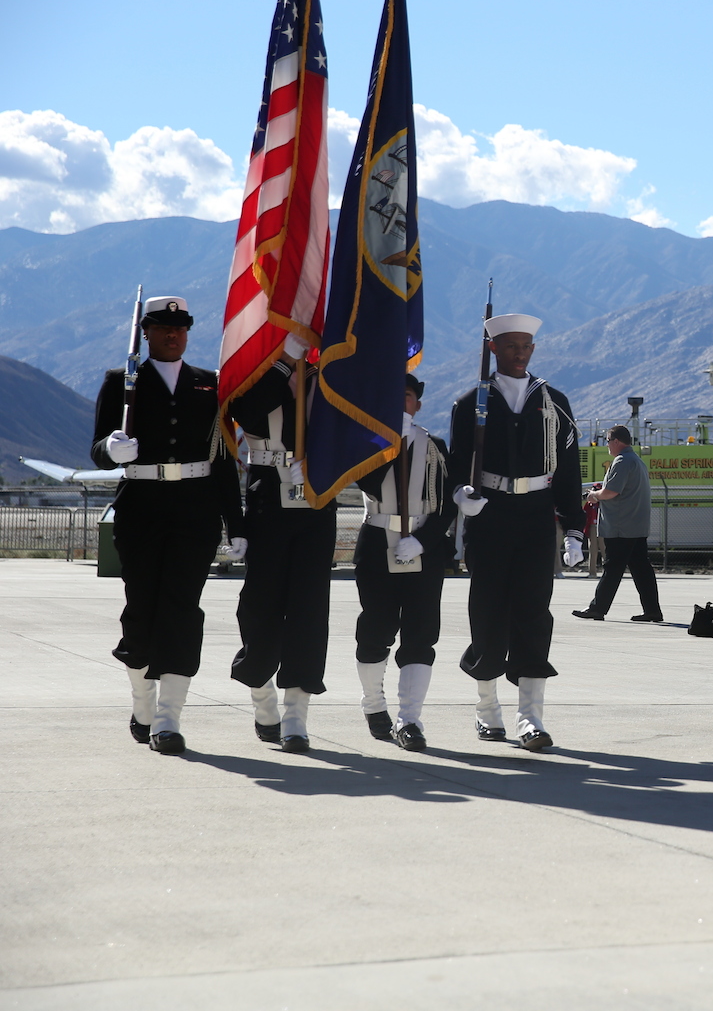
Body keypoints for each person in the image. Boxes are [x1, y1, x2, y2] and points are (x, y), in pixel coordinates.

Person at [91, 296, 244, 755]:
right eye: (162, 328)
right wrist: (110, 450)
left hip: (195, 513)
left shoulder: (209, 385)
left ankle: (169, 720)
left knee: (182, 611)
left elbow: (222, 461)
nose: (173, 335)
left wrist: (235, 523)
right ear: (147, 333)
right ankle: (143, 703)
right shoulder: (123, 382)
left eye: (180, 328)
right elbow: (97, 448)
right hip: (141, 511)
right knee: (141, 611)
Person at [449, 313, 586, 751]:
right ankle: (487, 709)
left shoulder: (555, 402)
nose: (520, 353)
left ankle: (531, 718)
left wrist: (574, 529)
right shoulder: (471, 402)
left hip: (535, 515)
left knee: (532, 613)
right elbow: (456, 463)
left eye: (526, 345)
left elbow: (568, 471)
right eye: (511, 346)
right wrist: (459, 494)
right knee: (487, 612)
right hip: (489, 516)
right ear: (492, 348)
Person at [225, 341, 337, 754]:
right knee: (260, 602)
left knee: (309, 606)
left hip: (316, 495)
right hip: (268, 493)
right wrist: (284, 365)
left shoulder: (326, 377)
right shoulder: (256, 374)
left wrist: (324, 463)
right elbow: (248, 412)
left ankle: (296, 717)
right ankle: (261, 691)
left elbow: (351, 427)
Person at [351, 374, 455, 751]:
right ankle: (373, 702)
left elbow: (445, 508)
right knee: (376, 629)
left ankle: (409, 719)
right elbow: (369, 482)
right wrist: (388, 442)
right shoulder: (366, 444)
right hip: (378, 539)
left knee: (421, 633)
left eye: (407, 396)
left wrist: (424, 541)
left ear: (418, 404)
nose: (401, 403)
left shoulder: (435, 447)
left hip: (421, 546)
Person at [573, 424, 661, 622]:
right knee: (641, 568)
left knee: (612, 568)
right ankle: (652, 610)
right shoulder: (636, 461)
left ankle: (597, 608)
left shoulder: (622, 461)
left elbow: (611, 492)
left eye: (608, 441)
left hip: (622, 526)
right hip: (636, 525)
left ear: (616, 441)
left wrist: (594, 495)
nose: (607, 446)